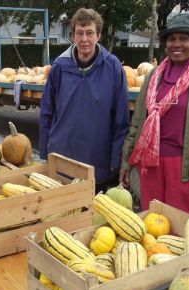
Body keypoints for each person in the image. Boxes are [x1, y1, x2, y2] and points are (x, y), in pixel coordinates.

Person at [119, 13, 189, 213]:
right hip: (149, 163)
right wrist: (126, 160)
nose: (176, 43)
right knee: (151, 224)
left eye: (184, 38)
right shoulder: (153, 76)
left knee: (178, 231)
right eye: (172, 38)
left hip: (184, 169)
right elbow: (137, 123)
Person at [40, 8, 130, 193]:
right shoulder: (60, 67)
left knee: (94, 217)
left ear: (99, 35)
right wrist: (44, 153)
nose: (84, 39)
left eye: (90, 33)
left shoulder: (113, 67)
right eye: (79, 33)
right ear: (72, 36)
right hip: (63, 156)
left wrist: (116, 159)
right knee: (61, 215)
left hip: (98, 159)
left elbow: (121, 120)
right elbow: (46, 112)